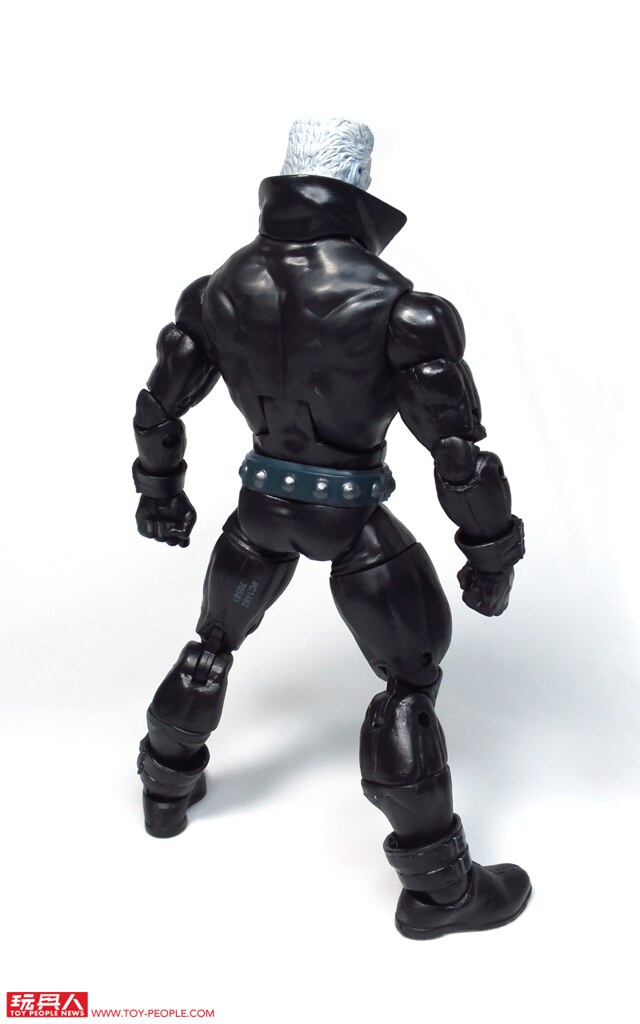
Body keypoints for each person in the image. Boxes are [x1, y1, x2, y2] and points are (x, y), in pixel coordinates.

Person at [132, 117, 530, 938]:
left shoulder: (217, 290)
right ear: (358, 187)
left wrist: (161, 492)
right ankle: (441, 892)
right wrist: (490, 551)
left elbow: (158, 407)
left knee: (213, 642)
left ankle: (166, 788)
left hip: (260, 508)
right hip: (348, 518)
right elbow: (458, 453)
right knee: (409, 686)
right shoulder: (398, 306)